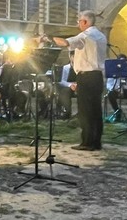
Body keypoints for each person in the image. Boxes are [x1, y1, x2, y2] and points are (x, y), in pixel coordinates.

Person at [46, 10, 107, 151]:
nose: (78, 23)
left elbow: (65, 42)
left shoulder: (85, 36)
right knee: (96, 111)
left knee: (85, 111)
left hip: (86, 77)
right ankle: (96, 142)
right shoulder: (101, 36)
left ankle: (87, 143)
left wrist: (49, 38)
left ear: (85, 22)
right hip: (97, 77)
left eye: (79, 21)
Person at [106, 54, 127, 123]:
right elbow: (108, 84)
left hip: (125, 90)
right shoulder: (113, 71)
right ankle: (117, 112)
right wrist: (115, 88)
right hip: (115, 90)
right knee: (110, 94)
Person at [57, 51, 77, 120]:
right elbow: (61, 81)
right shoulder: (65, 68)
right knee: (65, 91)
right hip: (69, 88)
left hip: (79, 87)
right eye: (74, 56)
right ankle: (67, 112)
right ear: (71, 57)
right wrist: (70, 85)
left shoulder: (82, 68)